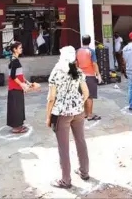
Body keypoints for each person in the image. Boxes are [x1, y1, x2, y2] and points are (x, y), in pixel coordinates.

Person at [46, 46, 90, 189]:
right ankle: (84, 172)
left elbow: (51, 98)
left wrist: (48, 117)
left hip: (61, 114)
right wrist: (78, 104)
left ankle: (66, 180)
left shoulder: (56, 72)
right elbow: (86, 93)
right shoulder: (77, 71)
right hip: (78, 112)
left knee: (63, 147)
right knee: (81, 141)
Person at [7, 41, 37, 133]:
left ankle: (18, 125)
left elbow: (19, 74)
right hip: (14, 88)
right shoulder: (14, 61)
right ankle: (16, 127)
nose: (21, 49)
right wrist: (21, 84)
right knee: (16, 107)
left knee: (18, 107)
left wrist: (26, 82)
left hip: (17, 88)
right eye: (19, 48)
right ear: (14, 49)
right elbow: (13, 76)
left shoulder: (15, 60)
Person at [76, 35, 102, 121]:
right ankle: (90, 115)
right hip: (90, 76)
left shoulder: (78, 51)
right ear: (90, 41)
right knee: (90, 96)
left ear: (82, 41)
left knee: (83, 95)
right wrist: (98, 75)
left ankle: (85, 114)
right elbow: (94, 64)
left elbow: (76, 64)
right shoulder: (91, 51)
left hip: (80, 76)